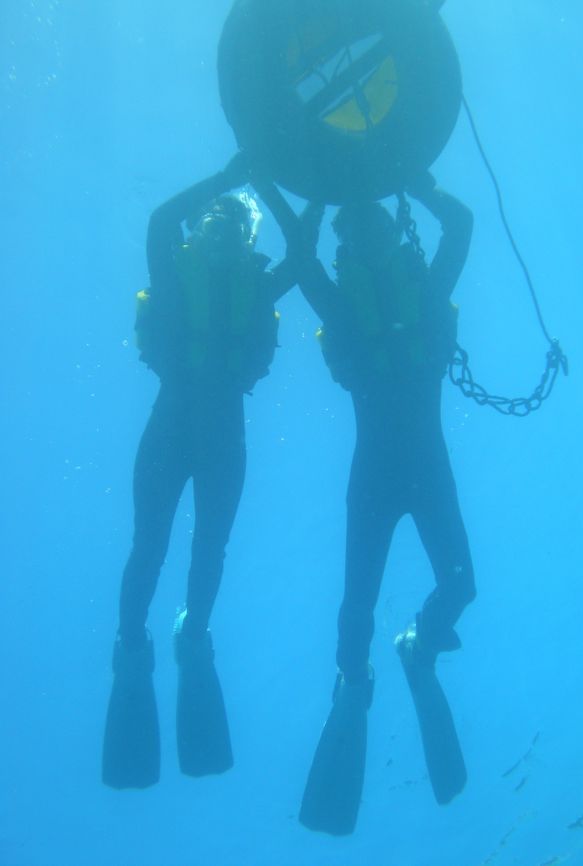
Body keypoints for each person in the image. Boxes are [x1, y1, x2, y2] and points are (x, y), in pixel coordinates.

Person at [257, 171, 476, 833]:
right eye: (354, 233)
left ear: (393, 231)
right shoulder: (341, 304)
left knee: (462, 586)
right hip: (375, 476)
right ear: (345, 248)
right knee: (354, 608)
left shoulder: (429, 285)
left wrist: (418, 182)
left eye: (375, 225)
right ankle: (355, 681)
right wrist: (301, 186)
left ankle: (421, 645)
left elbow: (460, 226)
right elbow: (298, 258)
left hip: (426, 468)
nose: (367, 237)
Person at [102, 158, 295, 789]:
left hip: (221, 441)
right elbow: (161, 222)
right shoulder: (174, 273)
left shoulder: (257, 286)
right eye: (214, 221)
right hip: (173, 429)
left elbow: (304, 251)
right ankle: (133, 644)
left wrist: (266, 186)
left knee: (210, 548)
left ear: (245, 240)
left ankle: (194, 633)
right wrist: (234, 175)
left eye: (235, 226)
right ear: (201, 228)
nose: (221, 233)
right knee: (149, 547)